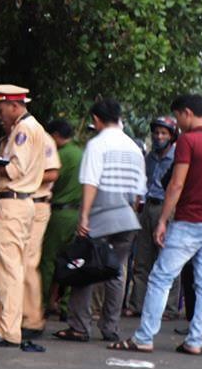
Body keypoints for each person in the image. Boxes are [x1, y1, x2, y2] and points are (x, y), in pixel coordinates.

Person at [121, 94, 202, 355]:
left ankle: (144, 337)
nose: (178, 123)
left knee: (160, 277)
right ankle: (195, 342)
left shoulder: (188, 141)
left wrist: (162, 221)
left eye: (178, 117)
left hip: (190, 223)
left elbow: (176, 184)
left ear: (187, 113)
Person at [0, 82, 58, 352]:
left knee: (8, 269)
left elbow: (14, 169)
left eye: (1, 108)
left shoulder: (23, 129)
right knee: (14, 267)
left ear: (14, 105)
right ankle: (6, 324)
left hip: (12, 203)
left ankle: (8, 330)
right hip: (23, 205)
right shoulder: (34, 129)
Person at [56, 99, 145, 343]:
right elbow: (139, 193)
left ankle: (79, 327)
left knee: (85, 269)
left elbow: (91, 183)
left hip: (101, 216)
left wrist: (84, 216)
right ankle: (111, 328)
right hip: (128, 218)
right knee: (116, 272)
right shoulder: (134, 148)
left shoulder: (97, 145)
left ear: (96, 120)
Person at [126, 115, 179, 318]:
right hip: (147, 207)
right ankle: (137, 304)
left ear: (172, 136)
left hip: (168, 209)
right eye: (156, 133)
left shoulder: (177, 158)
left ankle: (169, 308)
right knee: (142, 260)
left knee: (168, 260)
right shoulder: (149, 158)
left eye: (164, 133)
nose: (159, 136)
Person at [37, 119, 84, 319]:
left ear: (55, 135)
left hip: (59, 214)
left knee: (48, 260)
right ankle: (66, 306)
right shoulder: (81, 153)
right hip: (77, 213)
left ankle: (42, 303)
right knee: (71, 261)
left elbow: (49, 178)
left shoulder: (60, 155)